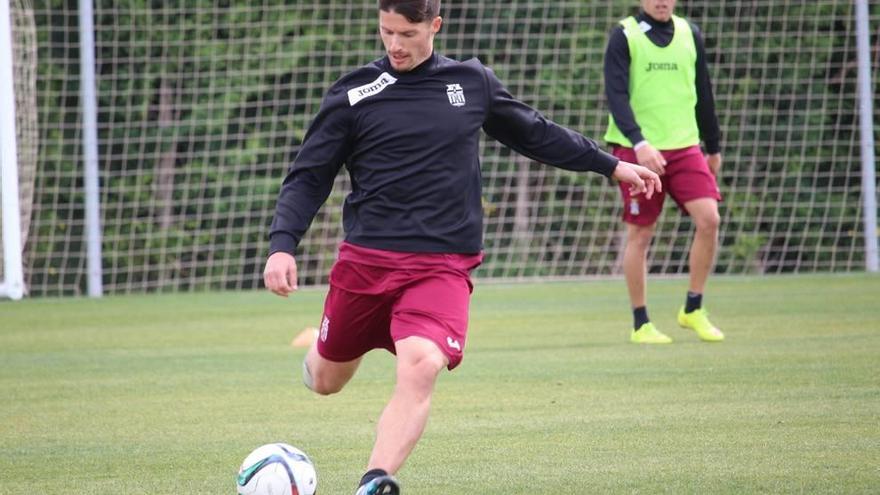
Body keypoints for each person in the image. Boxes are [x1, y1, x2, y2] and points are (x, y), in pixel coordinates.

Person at [263, 1, 661, 493]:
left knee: (422, 365)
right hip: (367, 263)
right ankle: (320, 359)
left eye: (406, 33)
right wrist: (283, 245)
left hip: (442, 265)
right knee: (326, 379)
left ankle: (374, 480)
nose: (394, 45)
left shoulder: (471, 83)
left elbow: (535, 133)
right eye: (386, 31)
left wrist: (611, 165)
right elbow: (309, 175)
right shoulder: (354, 93)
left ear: (435, 25)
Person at [603, 0, 725, 344]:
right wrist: (640, 143)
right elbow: (616, 96)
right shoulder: (624, 35)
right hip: (636, 149)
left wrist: (712, 146)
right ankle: (641, 323)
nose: (662, 1)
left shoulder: (690, 33)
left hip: (685, 146)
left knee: (709, 219)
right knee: (641, 234)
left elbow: (704, 92)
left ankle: (693, 308)